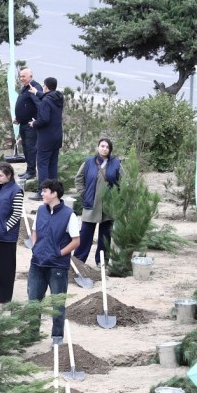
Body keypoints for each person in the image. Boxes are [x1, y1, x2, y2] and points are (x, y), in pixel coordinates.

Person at [28, 178, 81, 344]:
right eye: (42, 190)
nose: (42, 193)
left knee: (57, 303)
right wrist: (35, 248)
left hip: (58, 266)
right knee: (33, 301)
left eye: (45, 191)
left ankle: (57, 336)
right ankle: (32, 334)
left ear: (54, 193)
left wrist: (59, 253)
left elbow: (76, 240)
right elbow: (35, 231)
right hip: (37, 263)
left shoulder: (68, 215)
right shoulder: (41, 210)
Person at [74, 138, 122, 271]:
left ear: (110, 149)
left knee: (105, 236)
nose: (104, 149)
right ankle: (78, 260)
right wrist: (84, 193)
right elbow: (78, 178)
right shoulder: (89, 162)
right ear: (98, 147)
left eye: (107, 147)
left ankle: (102, 262)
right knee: (85, 234)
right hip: (91, 204)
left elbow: (124, 182)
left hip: (108, 205)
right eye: (102, 146)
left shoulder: (116, 164)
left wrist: (118, 199)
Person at [0, 161, 25, 303]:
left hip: (6, 238)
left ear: (9, 175)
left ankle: (3, 298)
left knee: (5, 269)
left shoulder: (17, 191)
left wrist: (4, 228)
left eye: (1, 175)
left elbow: (16, 214)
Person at [29, 76, 64, 191]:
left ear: (46, 86)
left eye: (43, 86)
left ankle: (42, 191)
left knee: (42, 165)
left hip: (46, 139)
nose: (42, 87)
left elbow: (44, 120)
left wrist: (34, 124)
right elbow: (48, 97)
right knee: (53, 165)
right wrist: (36, 92)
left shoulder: (45, 101)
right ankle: (54, 190)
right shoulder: (58, 97)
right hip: (57, 137)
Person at [15, 68, 42, 181]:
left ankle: (31, 172)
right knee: (25, 147)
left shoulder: (34, 87)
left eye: (24, 76)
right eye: (20, 76)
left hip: (31, 125)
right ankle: (28, 170)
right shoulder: (25, 87)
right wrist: (19, 117)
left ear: (30, 76)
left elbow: (39, 105)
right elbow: (25, 104)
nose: (21, 79)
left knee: (31, 148)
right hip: (23, 123)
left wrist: (36, 120)